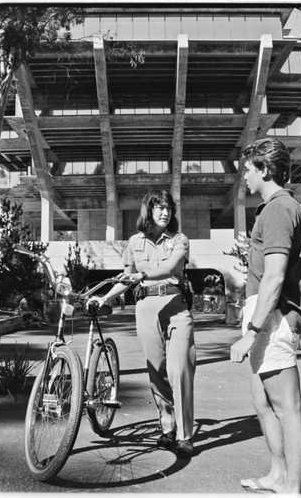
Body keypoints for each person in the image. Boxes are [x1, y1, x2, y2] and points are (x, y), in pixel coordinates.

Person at [87, 190, 196, 458]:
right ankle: (167, 427)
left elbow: (170, 269)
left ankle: (185, 436)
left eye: (168, 207)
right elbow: (127, 279)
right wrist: (104, 298)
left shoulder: (179, 240)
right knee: (156, 370)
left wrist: (141, 274)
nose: (165, 212)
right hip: (145, 307)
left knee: (179, 368)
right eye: (159, 207)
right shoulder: (134, 242)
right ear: (148, 210)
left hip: (175, 305)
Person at [230, 138, 301, 494]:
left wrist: (251, 331)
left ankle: (293, 485)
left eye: (248, 169)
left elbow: (275, 275)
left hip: (274, 317)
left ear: (264, 169)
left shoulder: (280, 208)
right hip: (264, 315)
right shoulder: (273, 208)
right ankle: (278, 475)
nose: (244, 176)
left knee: (286, 407)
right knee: (262, 401)